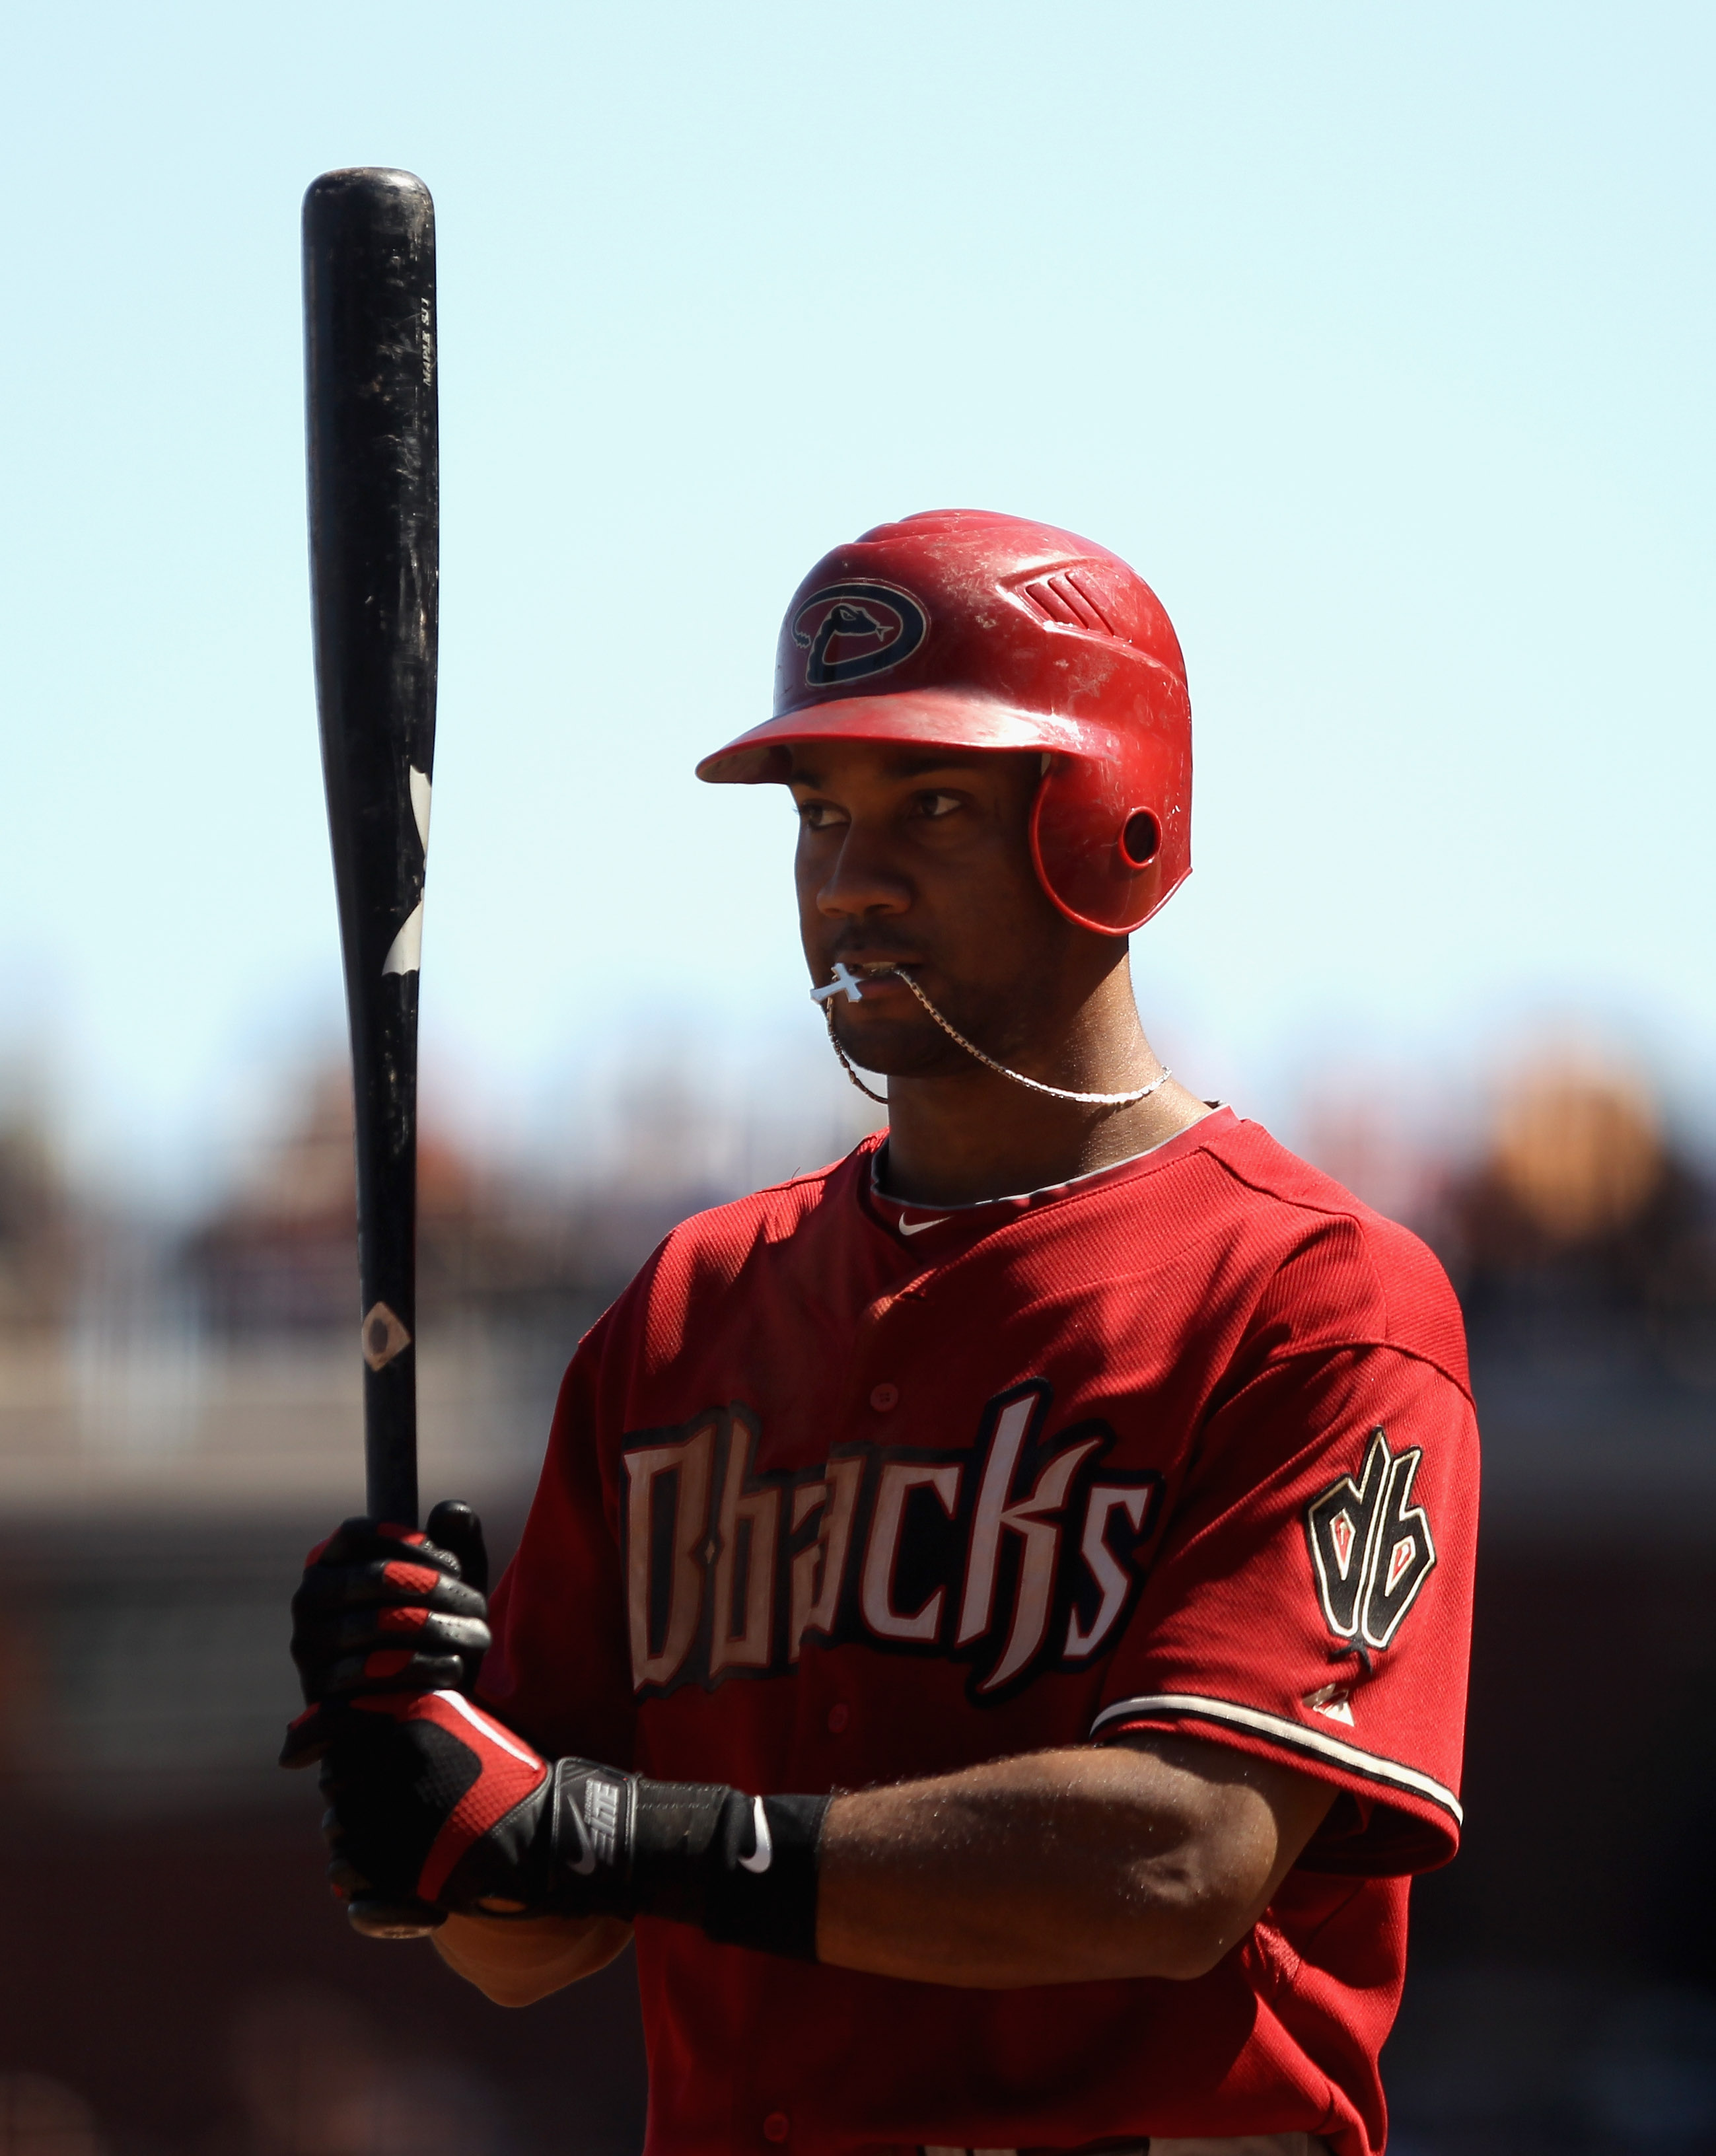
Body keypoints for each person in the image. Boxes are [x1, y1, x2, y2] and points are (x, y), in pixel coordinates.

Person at [286, 510, 1479, 2156]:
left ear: (1113, 824)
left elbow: (1180, 1861)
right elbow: (532, 1932)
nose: (849, 881)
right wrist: (420, 1764)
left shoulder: (1315, 1300)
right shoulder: (692, 1309)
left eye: (929, 806)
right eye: (820, 817)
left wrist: (628, 1832)